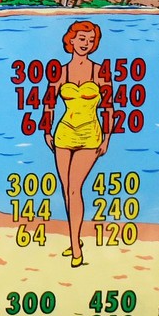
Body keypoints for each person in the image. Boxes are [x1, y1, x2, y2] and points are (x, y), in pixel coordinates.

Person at [42, 19, 114, 269]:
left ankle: (75, 247)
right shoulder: (61, 72)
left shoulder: (99, 71)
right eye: (82, 39)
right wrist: (47, 131)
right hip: (63, 134)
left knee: (75, 189)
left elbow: (108, 107)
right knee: (66, 189)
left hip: (90, 136)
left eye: (91, 40)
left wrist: (107, 137)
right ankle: (76, 237)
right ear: (71, 40)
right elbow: (49, 102)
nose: (86, 44)